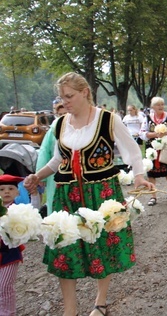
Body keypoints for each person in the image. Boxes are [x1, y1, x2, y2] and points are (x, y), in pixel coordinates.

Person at [23, 72, 154, 316]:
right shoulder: (60, 123)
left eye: (69, 96)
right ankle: (69, 310)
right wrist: (37, 176)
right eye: (61, 97)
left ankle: (100, 302)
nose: (64, 102)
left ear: (85, 92)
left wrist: (138, 176)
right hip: (66, 195)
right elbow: (56, 159)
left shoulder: (107, 120)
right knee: (64, 246)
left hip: (101, 193)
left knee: (102, 246)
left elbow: (132, 150)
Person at [140, 96, 167, 206]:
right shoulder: (147, 118)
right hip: (151, 149)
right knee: (151, 172)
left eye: (162, 104)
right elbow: (142, 133)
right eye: (158, 104)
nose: (161, 106)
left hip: (165, 148)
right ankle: (153, 196)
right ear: (153, 107)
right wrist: (155, 134)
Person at [0, 174, 26, 316]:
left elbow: (33, 211)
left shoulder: (18, 210)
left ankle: (8, 312)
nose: (6, 192)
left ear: (17, 192)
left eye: (11, 188)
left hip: (10, 253)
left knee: (5, 285)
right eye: (2, 189)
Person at [36, 103, 67, 215]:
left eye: (65, 113)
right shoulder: (53, 130)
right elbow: (44, 151)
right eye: (60, 114)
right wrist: (41, 176)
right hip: (54, 174)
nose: (63, 116)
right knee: (54, 200)